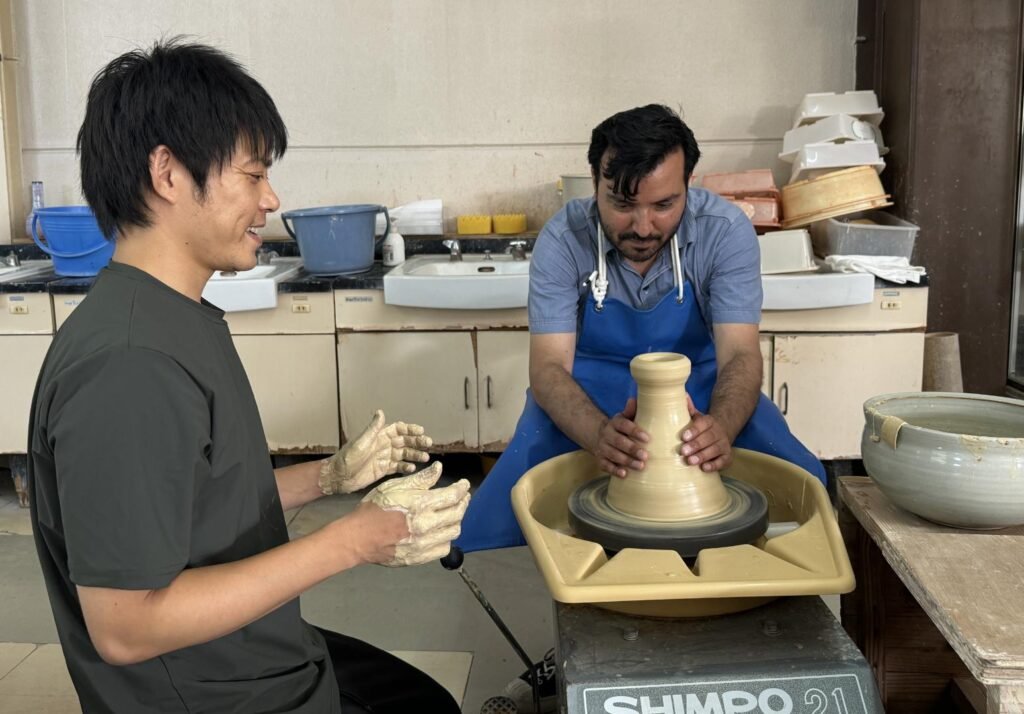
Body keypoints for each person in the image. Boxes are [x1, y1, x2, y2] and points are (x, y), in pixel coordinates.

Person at [28, 39, 469, 714]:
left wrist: (327, 479)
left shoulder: (173, 316)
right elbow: (125, 626)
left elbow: (200, 506)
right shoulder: (128, 363)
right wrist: (351, 539)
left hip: (251, 653)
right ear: (168, 174)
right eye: (253, 174)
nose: (271, 199)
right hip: (208, 693)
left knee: (422, 700)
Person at [455, 104, 826, 713]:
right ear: (595, 185)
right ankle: (583, 625)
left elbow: (740, 356)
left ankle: (743, 623)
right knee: (516, 494)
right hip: (592, 390)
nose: (644, 225)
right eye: (622, 204)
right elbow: (548, 369)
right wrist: (599, 435)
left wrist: (722, 427)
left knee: (806, 486)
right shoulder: (563, 239)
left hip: (705, 387)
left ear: (688, 188)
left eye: (663, 204)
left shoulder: (724, 230)